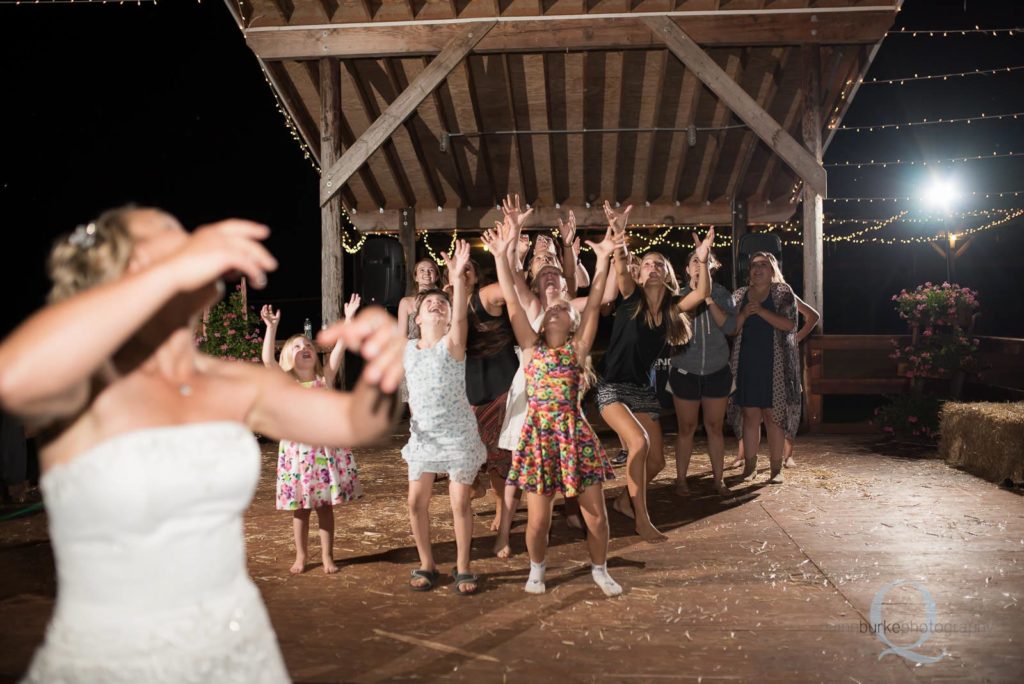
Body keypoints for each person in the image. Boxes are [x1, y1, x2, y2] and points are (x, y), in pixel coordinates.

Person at [0, 207, 404, 683]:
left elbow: (358, 423)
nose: (195, 250)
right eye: (171, 248)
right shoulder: (87, 380)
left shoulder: (228, 380)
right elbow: (13, 378)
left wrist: (385, 365)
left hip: (231, 636)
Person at [485, 218, 622, 596]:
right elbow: (513, 301)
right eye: (552, 311)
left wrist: (606, 257)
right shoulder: (531, 349)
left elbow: (595, 301)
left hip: (574, 433)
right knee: (538, 521)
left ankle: (600, 569)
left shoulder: (577, 351)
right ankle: (537, 569)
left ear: (575, 324)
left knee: (596, 515)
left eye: (564, 310)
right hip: (539, 435)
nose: (556, 310)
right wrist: (501, 255)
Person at [598, 203, 714, 543]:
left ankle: (622, 502)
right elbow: (620, 268)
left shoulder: (671, 308)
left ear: (666, 274)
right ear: (640, 272)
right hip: (612, 389)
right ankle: (641, 519)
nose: (651, 267)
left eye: (658, 264)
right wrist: (619, 239)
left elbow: (703, 293)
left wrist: (703, 259)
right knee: (638, 443)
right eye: (646, 263)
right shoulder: (629, 296)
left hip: (641, 392)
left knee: (656, 462)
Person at [402, 240, 486, 595]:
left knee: (459, 501)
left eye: (443, 303)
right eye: (429, 303)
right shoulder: (406, 348)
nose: (436, 304)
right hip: (423, 438)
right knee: (415, 502)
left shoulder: (453, 344)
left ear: (449, 316)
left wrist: (457, 277)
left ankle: (463, 565)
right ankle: (426, 563)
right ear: (417, 318)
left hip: (457, 436)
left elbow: (463, 314)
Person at [260, 294, 362, 574]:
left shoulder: (324, 379)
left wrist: (349, 320)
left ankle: (328, 556)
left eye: (307, 345)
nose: (304, 347)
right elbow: (267, 360)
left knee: (325, 508)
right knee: (300, 509)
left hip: (324, 453)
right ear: (288, 358)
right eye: (296, 347)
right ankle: (302, 556)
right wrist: (271, 328)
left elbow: (340, 347)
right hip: (297, 457)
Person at [726, 252, 801, 484]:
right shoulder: (739, 295)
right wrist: (744, 314)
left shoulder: (782, 292)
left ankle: (776, 469)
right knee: (750, 417)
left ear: (773, 270)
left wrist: (762, 311)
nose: (757, 269)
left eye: (764, 265)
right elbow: (731, 330)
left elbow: (790, 324)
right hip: (747, 363)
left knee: (774, 417)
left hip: (775, 365)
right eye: (754, 265)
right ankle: (750, 468)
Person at [669, 248, 737, 497]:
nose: (698, 266)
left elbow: (730, 328)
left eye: (703, 261)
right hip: (685, 370)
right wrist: (696, 295)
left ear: (713, 266)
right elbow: (672, 332)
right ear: (687, 270)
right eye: (693, 262)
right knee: (686, 427)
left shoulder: (722, 295)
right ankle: (680, 481)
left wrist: (707, 298)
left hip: (717, 371)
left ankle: (719, 481)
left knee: (715, 427)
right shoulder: (677, 297)